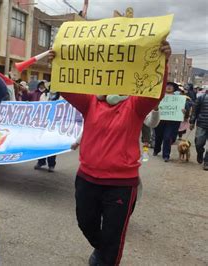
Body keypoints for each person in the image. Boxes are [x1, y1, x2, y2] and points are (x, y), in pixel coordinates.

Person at [48, 40, 171, 266]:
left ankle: (104, 258)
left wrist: (162, 63)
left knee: (114, 239)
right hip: (87, 179)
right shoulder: (91, 102)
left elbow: (155, 93)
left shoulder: (135, 104)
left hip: (121, 184)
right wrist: (57, 65)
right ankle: (101, 251)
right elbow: (66, 87)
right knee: (86, 223)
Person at [153, 82, 183, 162]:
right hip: (159, 120)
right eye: (167, 85)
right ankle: (156, 149)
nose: (169, 87)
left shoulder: (178, 98)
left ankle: (166, 155)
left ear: (174, 88)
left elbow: (183, 109)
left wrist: (183, 111)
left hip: (171, 122)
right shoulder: (159, 96)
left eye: (171, 86)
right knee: (158, 137)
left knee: (167, 137)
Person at [34, 83, 60, 172]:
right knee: (42, 143)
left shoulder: (61, 98)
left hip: (54, 124)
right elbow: (39, 107)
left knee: (52, 145)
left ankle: (51, 164)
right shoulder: (43, 96)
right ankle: (41, 161)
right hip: (43, 123)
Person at [190, 89, 208, 170]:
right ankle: (200, 153)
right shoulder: (201, 98)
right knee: (198, 144)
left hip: (202, 124)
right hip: (202, 124)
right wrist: (192, 122)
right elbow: (194, 111)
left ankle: (206, 162)